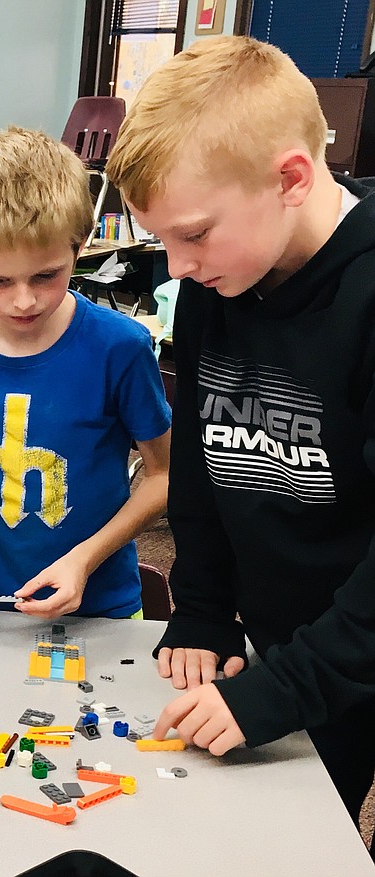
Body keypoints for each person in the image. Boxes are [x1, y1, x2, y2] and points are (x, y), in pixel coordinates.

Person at [106, 35, 375, 853]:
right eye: (162, 241)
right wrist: (201, 609)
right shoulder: (216, 284)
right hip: (282, 638)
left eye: (193, 234)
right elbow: (200, 467)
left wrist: (280, 689)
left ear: (290, 178)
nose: (177, 267)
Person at [0, 126, 172, 621]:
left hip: (101, 604)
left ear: (80, 245)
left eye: (46, 275)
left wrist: (84, 560)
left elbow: (163, 476)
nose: (23, 301)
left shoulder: (121, 348)